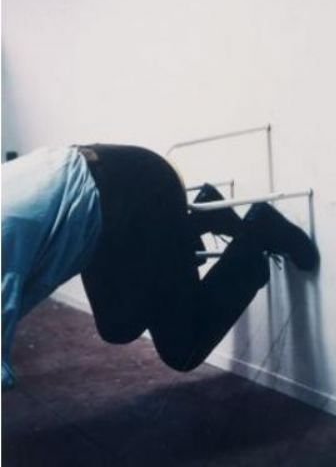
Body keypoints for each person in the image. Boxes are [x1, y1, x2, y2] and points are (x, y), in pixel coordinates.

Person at [2, 144, 319, 389]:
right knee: (118, 326)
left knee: (183, 347)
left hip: (138, 191)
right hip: (106, 200)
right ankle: (194, 223)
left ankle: (258, 232)